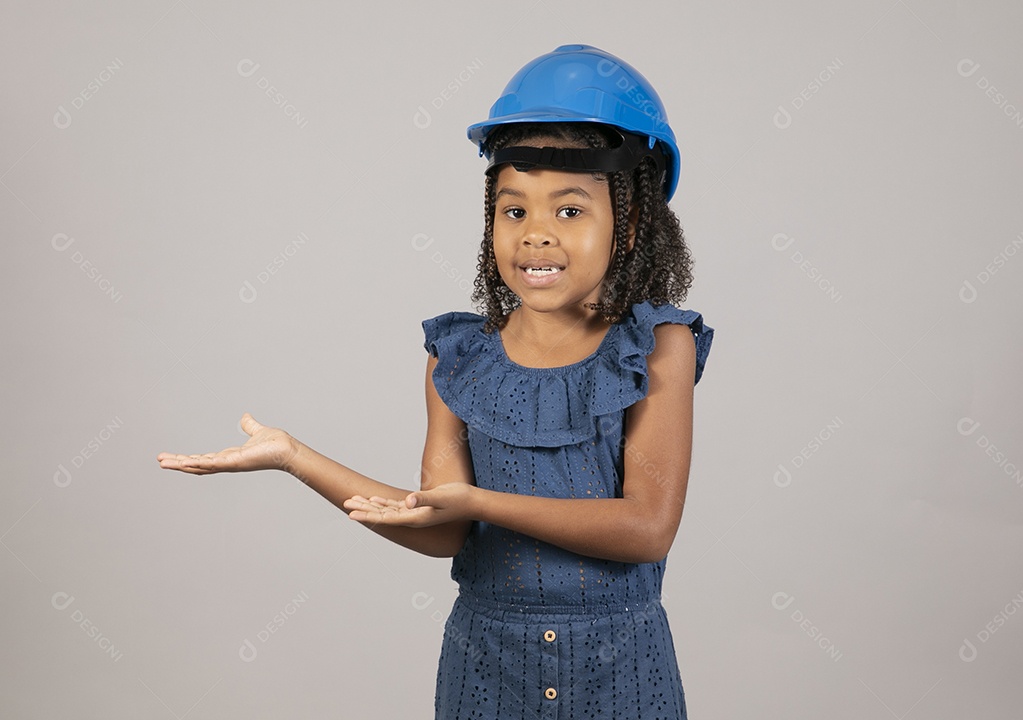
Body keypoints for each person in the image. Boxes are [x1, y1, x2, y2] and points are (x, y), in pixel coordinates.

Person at [158, 44, 714, 719]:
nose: (535, 235)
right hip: (488, 669)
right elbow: (439, 523)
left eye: (569, 211)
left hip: (620, 669)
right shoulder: (458, 357)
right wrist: (294, 458)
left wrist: (481, 502)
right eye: (515, 211)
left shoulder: (657, 346)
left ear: (630, 226)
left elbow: (646, 528)